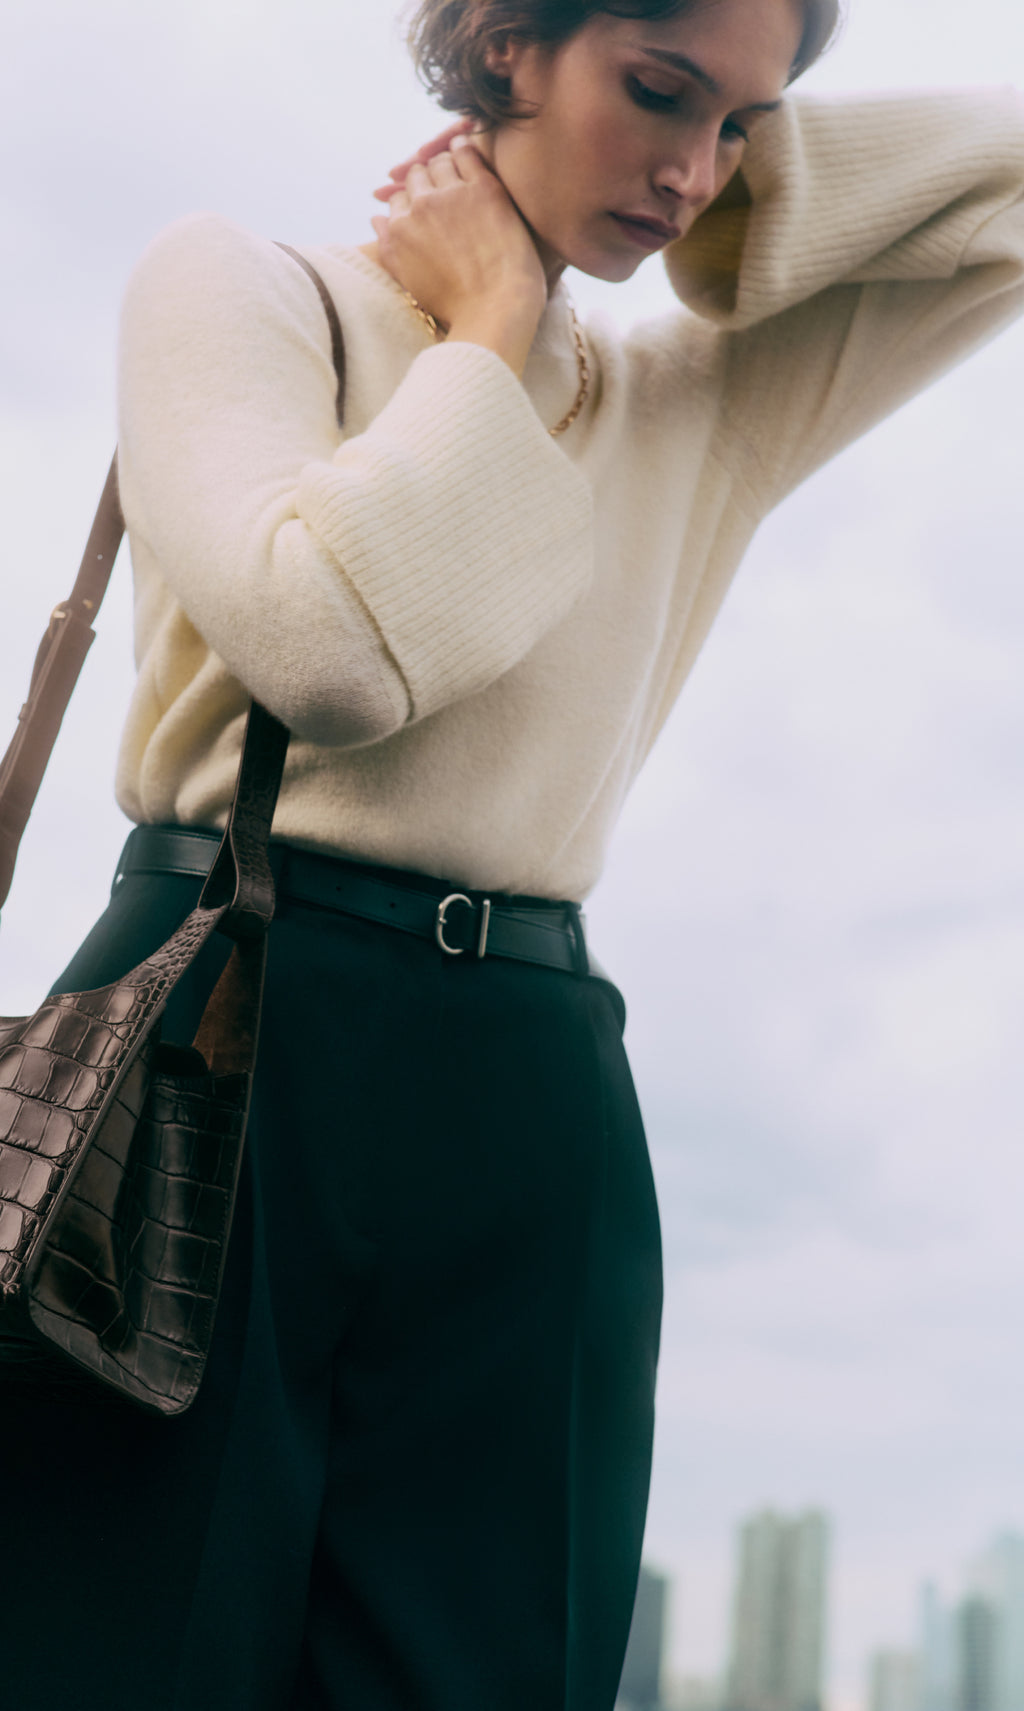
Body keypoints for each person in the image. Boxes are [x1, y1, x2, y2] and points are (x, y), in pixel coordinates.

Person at [3, 1, 1022, 1708]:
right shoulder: (246, 290)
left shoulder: (699, 395)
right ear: (505, 46)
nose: (688, 169)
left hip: (527, 1094)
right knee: (121, 1655)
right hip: (211, 1044)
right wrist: (486, 328)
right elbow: (316, 647)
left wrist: (757, 201)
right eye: (656, 91)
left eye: (741, 127)